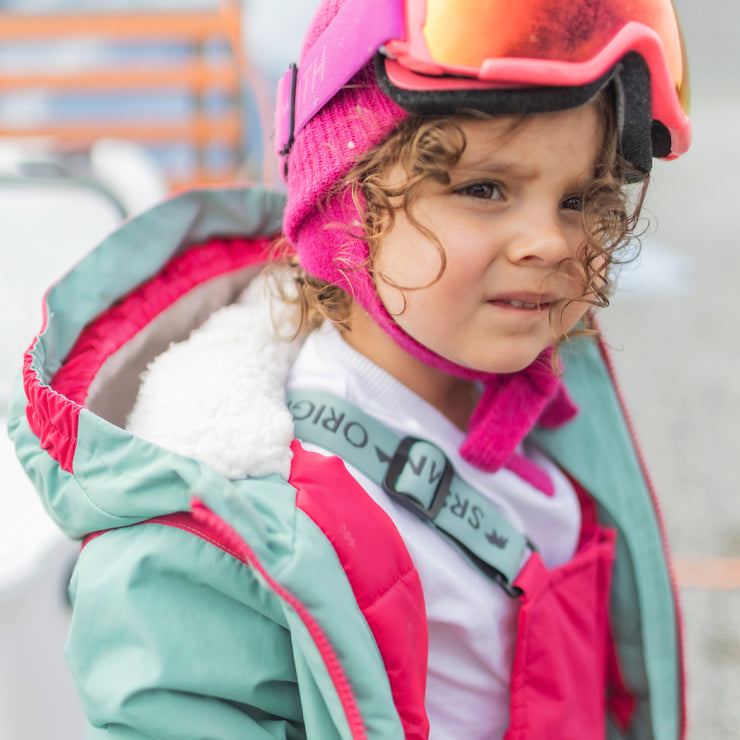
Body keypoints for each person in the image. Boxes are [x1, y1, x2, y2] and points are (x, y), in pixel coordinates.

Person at [9, 0, 692, 737]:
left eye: (577, 199)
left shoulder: (535, 396)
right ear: (345, 203)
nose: (550, 242)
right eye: (483, 189)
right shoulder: (212, 548)